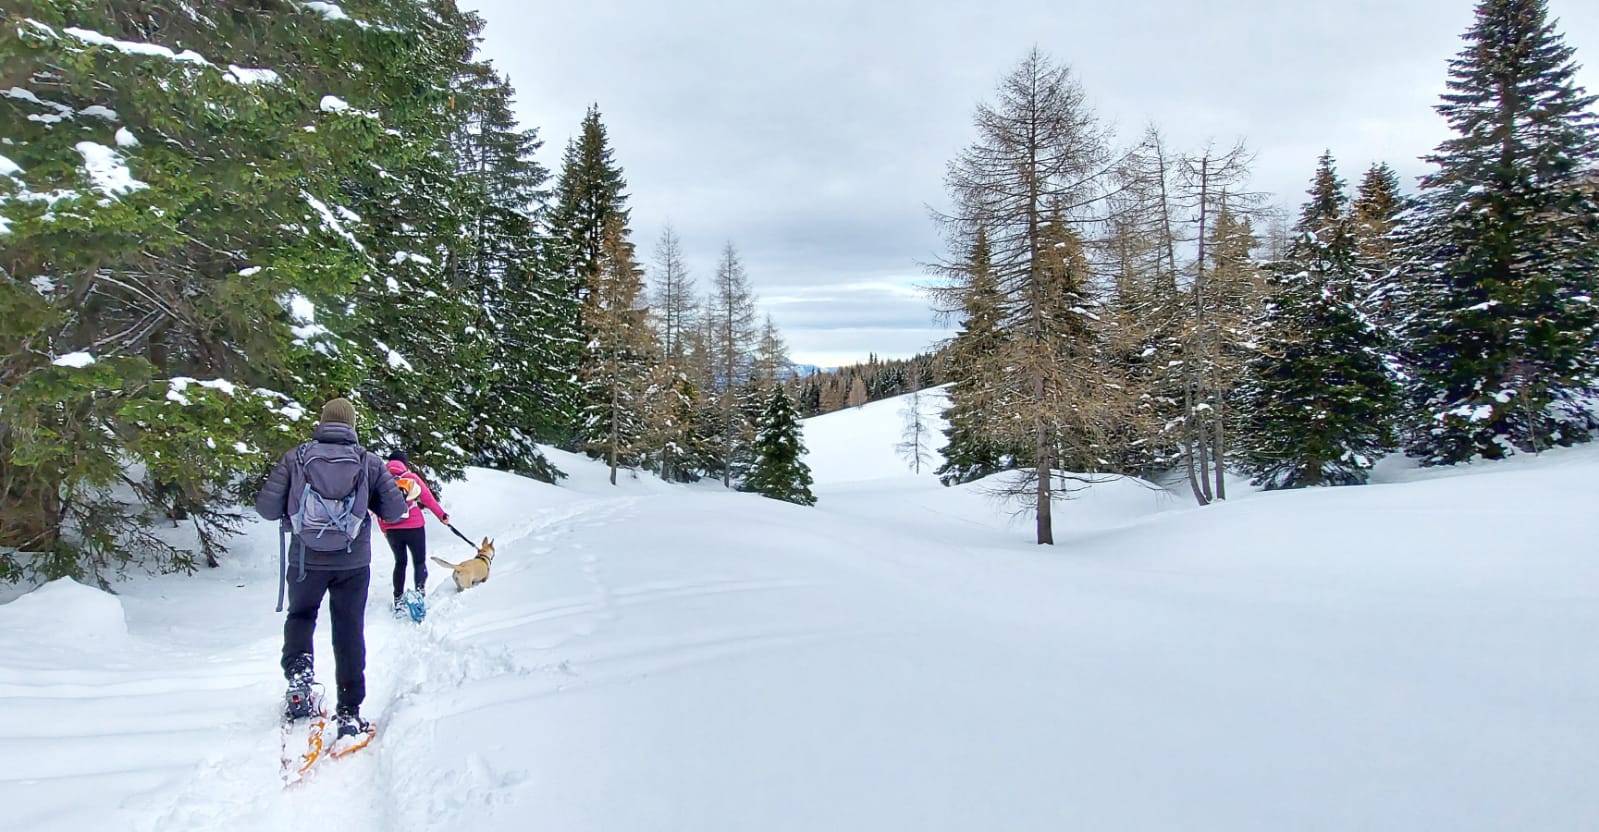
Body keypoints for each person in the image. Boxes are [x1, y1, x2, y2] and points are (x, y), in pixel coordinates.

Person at [255, 397, 408, 739]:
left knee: (301, 616)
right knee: (348, 629)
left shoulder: (296, 457)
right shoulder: (368, 462)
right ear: (352, 425)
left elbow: (266, 508)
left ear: (322, 422)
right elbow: (395, 512)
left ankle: (299, 678)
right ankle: (350, 710)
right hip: (353, 562)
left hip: (305, 560)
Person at [378, 449, 449, 611]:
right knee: (419, 561)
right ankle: (420, 593)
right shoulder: (411, 478)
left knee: (400, 563)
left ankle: (398, 598)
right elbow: (428, 499)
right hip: (415, 526)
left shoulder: (381, 480)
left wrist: (384, 528)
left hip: (392, 528)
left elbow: (377, 508)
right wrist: (442, 516)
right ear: (405, 464)